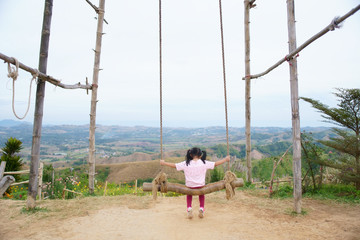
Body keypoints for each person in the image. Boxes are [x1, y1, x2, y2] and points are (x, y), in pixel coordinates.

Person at [160, 147, 230, 219]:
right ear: (200, 155)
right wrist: (225, 159)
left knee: (189, 194)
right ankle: (201, 208)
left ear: (190, 155)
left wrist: (164, 163)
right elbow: (215, 164)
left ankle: (189, 208)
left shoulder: (186, 163)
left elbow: (174, 165)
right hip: (201, 186)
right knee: (201, 194)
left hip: (190, 186)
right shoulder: (204, 163)